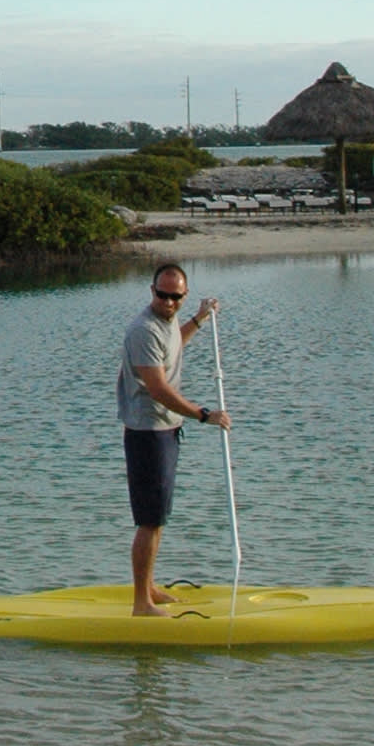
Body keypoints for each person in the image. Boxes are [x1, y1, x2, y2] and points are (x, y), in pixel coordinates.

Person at [119, 262, 228, 616]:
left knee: (158, 517)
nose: (168, 303)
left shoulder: (166, 324)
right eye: (162, 295)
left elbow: (173, 345)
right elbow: (157, 388)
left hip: (166, 429)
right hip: (147, 433)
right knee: (149, 520)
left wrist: (198, 320)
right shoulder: (143, 330)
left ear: (183, 295)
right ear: (152, 291)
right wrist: (203, 414)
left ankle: (149, 587)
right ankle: (141, 603)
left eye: (175, 297)